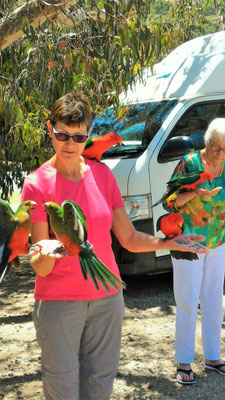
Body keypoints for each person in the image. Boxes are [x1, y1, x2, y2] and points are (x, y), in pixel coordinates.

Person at [21, 92, 207, 400]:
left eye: (78, 137)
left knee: (99, 386)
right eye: (62, 135)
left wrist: (169, 241)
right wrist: (42, 254)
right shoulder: (37, 184)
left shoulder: (102, 175)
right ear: (49, 128)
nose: (69, 144)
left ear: (88, 135)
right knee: (63, 389)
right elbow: (40, 262)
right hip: (59, 303)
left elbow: (129, 238)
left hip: (107, 299)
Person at [163, 118, 225, 385]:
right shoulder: (189, 163)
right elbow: (170, 202)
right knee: (188, 302)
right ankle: (184, 361)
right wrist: (196, 193)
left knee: (213, 301)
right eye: (216, 147)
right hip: (189, 244)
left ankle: (212, 357)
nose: (220, 154)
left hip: (218, 242)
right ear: (206, 141)